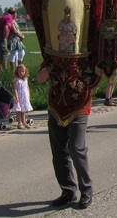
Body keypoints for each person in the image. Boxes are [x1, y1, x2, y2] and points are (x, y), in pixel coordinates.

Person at [37, 64, 94, 209]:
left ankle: (86, 190)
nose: (66, 39)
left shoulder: (84, 54)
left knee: (76, 148)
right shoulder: (53, 55)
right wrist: (53, 65)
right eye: (62, 38)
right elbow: (40, 78)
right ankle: (68, 191)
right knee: (59, 151)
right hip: (57, 106)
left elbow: (97, 75)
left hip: (79, 106)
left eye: (70, 38)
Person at [13, 64, 33, 130]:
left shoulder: (25, 79)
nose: (21, 73)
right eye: (20, 71)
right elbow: (15, 89)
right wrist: (16, 97)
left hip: (24, 96)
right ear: (17, 72)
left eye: (23, 71)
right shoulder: (16, 80)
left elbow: (27, 88)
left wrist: (29, 96)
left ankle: (24, 121)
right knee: (19, 110)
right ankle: (19, 122)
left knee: (23, 110)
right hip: (19, 96)